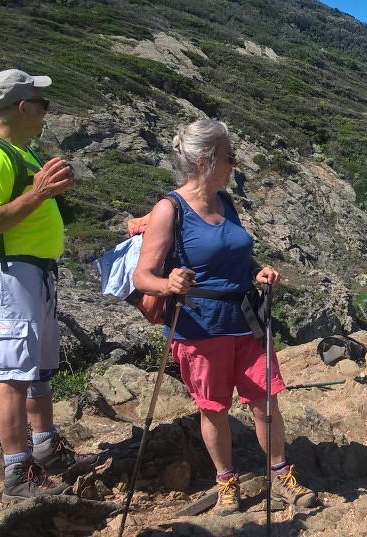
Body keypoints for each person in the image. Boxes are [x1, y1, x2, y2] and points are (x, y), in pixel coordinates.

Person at [132, 119, 317, 516]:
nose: (235, 162)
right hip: (201, 326)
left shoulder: (225, 201)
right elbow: (142, 277)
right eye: (229, 156)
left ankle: (280, 473)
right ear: (204, 161)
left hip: (247, 319)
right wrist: (169, 284)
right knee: (213, 408)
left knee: (265, 401)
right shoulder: (169, 209)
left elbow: (236, 256)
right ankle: (227, 482)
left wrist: (257, 272)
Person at [0, 69, 94, 501]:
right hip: (7, 274)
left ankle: (45, 448)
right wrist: (37, 194)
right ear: (23, 107)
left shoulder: (21, 152)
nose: (45, 113)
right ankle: (18, 474)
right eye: (43, 104)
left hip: (32, 271)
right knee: (12, 374)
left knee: (35, 369)